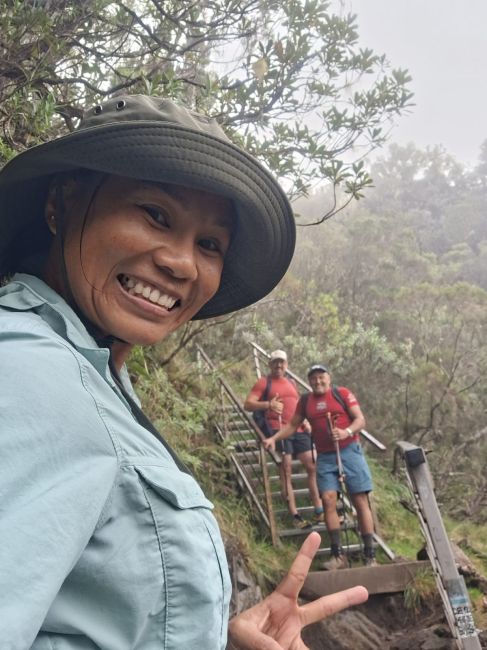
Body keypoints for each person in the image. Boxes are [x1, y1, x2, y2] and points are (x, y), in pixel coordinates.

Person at [0, 95, 368, 648]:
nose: (181, 262)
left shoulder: (94, 377)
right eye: (155, 213)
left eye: (210, 243)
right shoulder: (28, 372)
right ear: (63, 203)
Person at [264, 364, 377, 570]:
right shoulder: (306, 401)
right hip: (325, 456)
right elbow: (291, 426)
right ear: (309, 381)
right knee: (327, 500)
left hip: (350, 451)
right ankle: (337, 556)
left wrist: (346, 432)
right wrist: (273, 438)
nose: (317, 381)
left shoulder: (341, 393)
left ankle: (370, 556)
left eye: (321, 377)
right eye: (313, 378)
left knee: (360, 500)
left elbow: (360, 419)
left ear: (329, 378)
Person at [244, 349, 323, 529]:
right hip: (278, 428)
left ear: (286, 365)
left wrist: (307, 421)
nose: (279, 365)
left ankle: (319, 511)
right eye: (275, 362)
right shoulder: (264, 382)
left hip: (299, 428)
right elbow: (248, 404)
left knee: (312, 464)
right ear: (270, 364)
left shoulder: (291, 382)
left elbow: (298, 405)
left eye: (282, 362)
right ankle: (295, 515)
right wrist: (268, 404)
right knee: (285, 468)